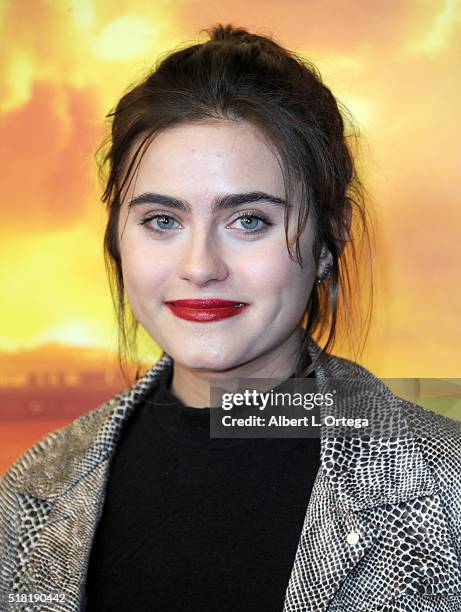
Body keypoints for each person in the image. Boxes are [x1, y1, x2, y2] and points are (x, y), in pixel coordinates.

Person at [1, 23, 460, 612]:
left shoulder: (441, 485)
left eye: (249, 220)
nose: (200, 267)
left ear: (330, 238)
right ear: (118, 234)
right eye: (162, 220)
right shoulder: (35, 490)